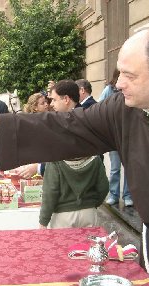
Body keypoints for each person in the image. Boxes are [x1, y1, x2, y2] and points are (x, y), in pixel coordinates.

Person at [0, 28, 149, 286]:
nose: (118, 83)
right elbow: (71, 126)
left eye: (129, 76)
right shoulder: (124, 108)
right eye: (119, 73)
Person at [40, 80, 108, 229]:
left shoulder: (75, 123)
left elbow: (51, 190)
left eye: (54, 99)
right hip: (89, 212)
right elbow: (102, 186)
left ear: (66, 99)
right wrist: (90, 204)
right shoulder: (85, 120)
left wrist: (43, 221)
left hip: (65, 215)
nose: (51, 104)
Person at [98, 69, 133, 207]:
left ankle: (128, 196)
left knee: (129, 168)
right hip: (114, 136)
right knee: (115, 168)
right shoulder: (109, 90)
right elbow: (100, 108)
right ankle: (113, 194)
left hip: (129, 135)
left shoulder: (132, 89)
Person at [14, 92, 49, 178]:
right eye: (42, 103)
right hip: (33, 161)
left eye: (46, 102)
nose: (46, 104)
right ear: (35, 108)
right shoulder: (29, 122)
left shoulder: (50, 118)